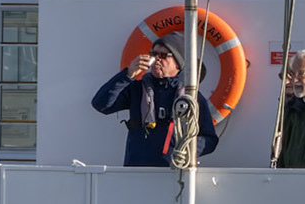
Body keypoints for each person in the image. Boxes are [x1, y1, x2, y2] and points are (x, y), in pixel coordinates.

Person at [92, 34, 219, 167]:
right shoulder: (137, 90)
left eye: (163, 55)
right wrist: (127, 74)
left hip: (173, 174)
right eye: (154, 54)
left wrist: (183, 149)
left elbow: (210, 140)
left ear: (178, 63)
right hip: (136, 173)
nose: (157, 59)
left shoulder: (191, 97)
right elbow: (100, 104)